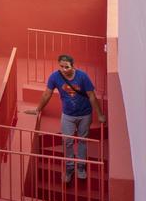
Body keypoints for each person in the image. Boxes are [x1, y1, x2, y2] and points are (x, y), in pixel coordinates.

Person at [25, 54, 105, 184]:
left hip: (85, 114)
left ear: (72, 66)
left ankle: (81, 168)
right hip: (68, 115)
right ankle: (69, 168)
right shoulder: (54, 77)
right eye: (61, 66)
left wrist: (100, 115)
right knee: (67, 141)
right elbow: (47, 94)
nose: (63, 69)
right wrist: (38, 109)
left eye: (66, 67)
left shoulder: (82, 76)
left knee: (82, 141)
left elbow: (91, 96)